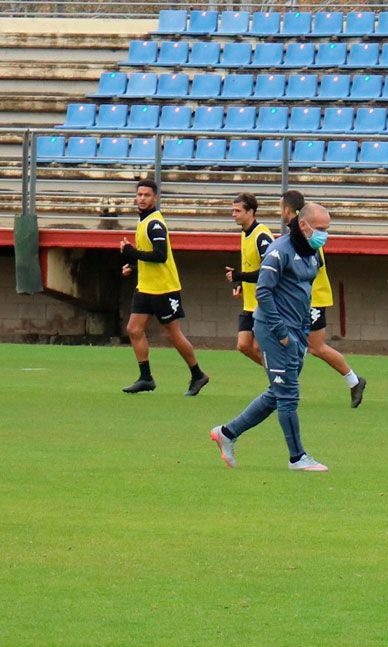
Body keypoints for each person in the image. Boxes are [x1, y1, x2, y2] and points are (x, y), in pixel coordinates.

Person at [209, 203, 333, 472]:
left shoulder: (311, 251)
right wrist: (282, 333)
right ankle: (297, 457)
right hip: (275, 331)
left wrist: (301, 330)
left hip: (296, 331)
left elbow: (303, 291)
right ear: (304, 225)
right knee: (288, 394)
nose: (325, 235)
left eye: (327, 229)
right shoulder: (279, 251)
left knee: (278, 392)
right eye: (321, 229)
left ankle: (227, 433)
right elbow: (263, 293)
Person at [118, 179, 208, 396]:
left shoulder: (155, 223)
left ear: (155, 198)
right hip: (146, 287)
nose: (141, 198)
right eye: (139, 195)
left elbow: (160, 255)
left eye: (146, 195)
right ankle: (146, 377)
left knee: (171, 334)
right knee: (133, 329)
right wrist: (133, 265)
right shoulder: (143, 221)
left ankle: (198, 374)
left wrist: (131, 253)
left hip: (164, 289)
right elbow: (147, 255)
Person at [280, 190, 366, 408]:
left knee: (315, 347)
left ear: (287, 209)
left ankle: (354, 380)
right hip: (305, 299)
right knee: (299, 344)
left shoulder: (304, 235)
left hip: (313, 299)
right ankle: (285, 385)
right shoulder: (298, 234)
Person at [223, 193, 274, 367]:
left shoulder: (262, 236)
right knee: (244, 346)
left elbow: (269, 272)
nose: (233, 214)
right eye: (233, 210)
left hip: (264, 303)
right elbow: (249, 266)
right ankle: (276, 374)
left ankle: (280, 378)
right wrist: (240, 284)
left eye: (237, 210)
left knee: (259, 347)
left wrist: (239, 276)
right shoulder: (245, 234)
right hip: (249, 302)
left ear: (250, 211)